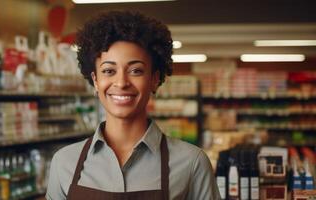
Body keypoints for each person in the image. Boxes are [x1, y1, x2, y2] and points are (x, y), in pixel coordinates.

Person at [46, 10, 220, 200]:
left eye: (136, 70)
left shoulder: (191, 163)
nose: (121, 82)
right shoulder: (64, 163)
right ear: (95, 80)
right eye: (109, 70)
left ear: (154, 79)